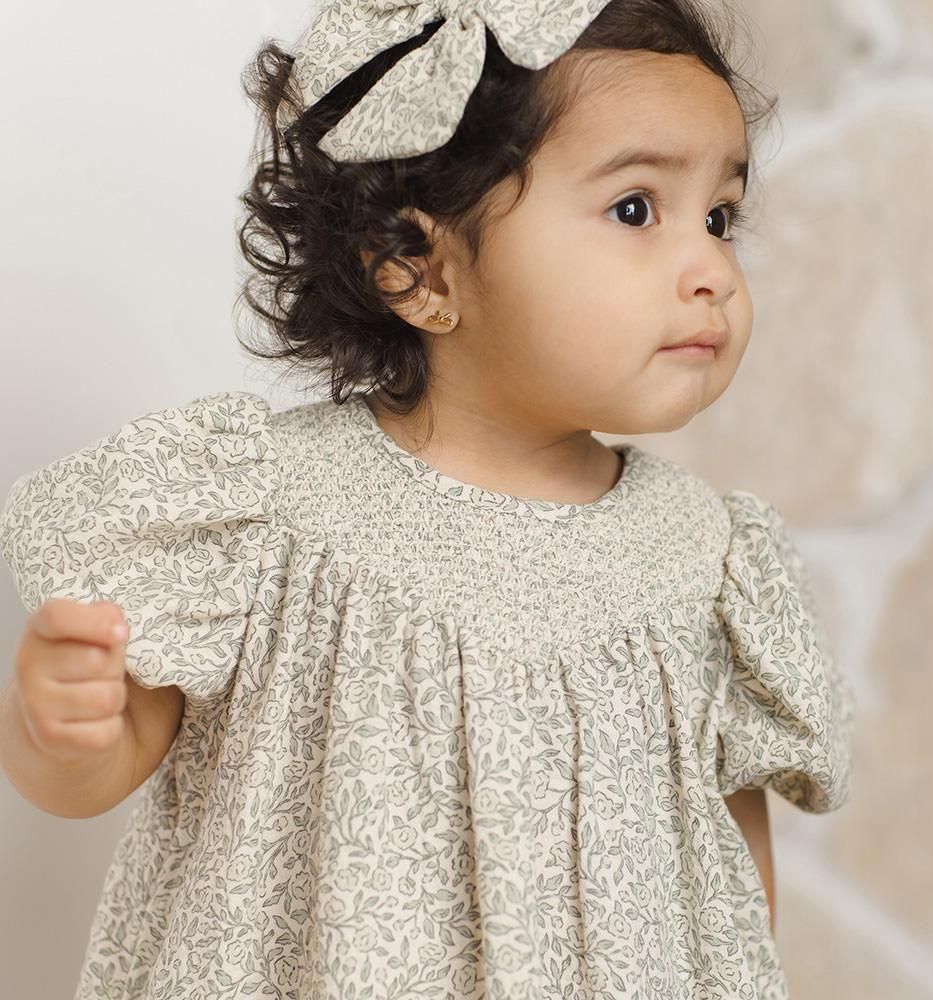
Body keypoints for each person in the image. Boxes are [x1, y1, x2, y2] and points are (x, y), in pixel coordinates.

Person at [0, 1, 855, 997]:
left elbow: (729, 880)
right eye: (635, 209)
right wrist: (62, 730)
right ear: (417, 268)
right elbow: (97, 776)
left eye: (720, 217)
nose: (712, 271)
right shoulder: (269, 513)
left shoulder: (705, 561)